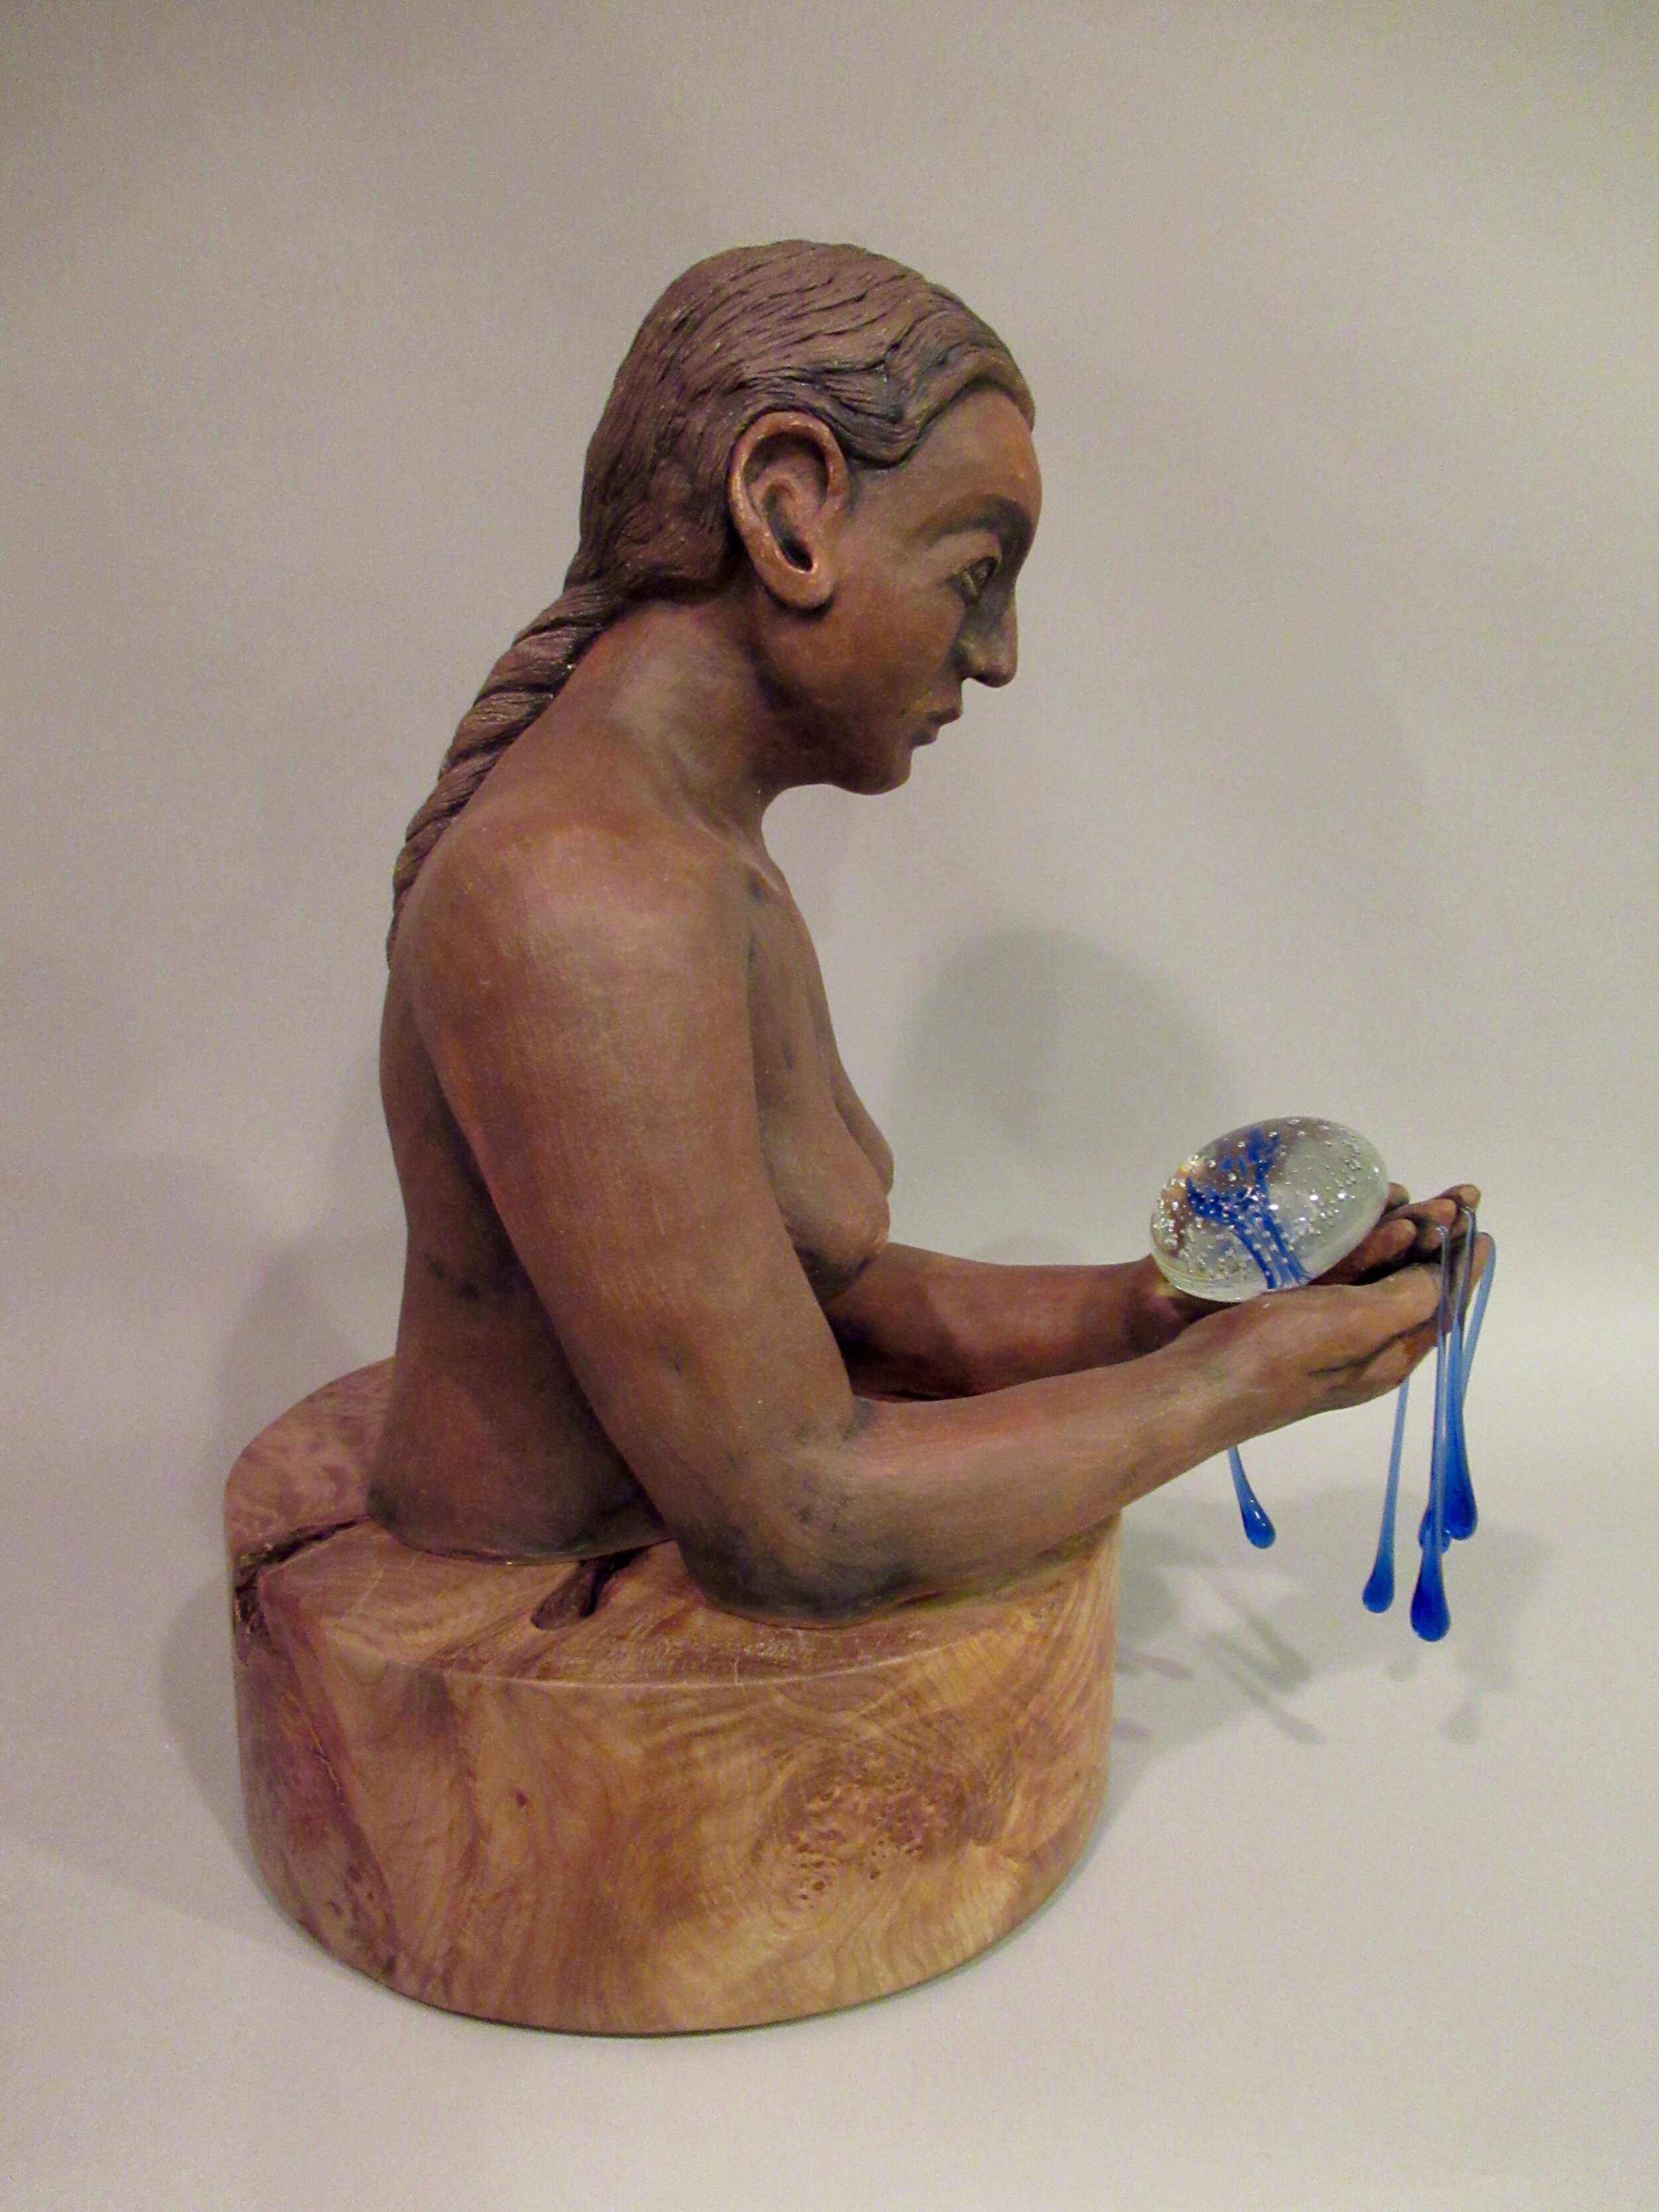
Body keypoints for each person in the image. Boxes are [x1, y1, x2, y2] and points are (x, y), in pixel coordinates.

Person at [369, 240, 1480, 1620]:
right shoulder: (581, 897)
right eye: (974, 571)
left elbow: (816, 1300)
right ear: (789, 512)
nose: (999, 654)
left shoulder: (691, 857)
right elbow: (795, 1513)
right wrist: (1233, 1383)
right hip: (547, 1602)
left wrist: (1155, 1311)